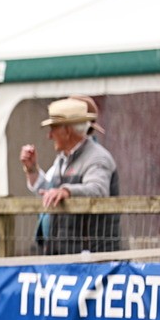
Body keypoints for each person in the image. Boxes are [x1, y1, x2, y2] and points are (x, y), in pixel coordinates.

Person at [19, 97, 121, 254]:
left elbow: (98, 190)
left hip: (93, 258)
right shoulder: (62, 159)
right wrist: (32, 169)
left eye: (53, 128)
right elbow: (48, 192)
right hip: (67, 256)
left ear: (67, 131)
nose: (49, 135)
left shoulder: (98, 158)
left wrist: (67, 191)